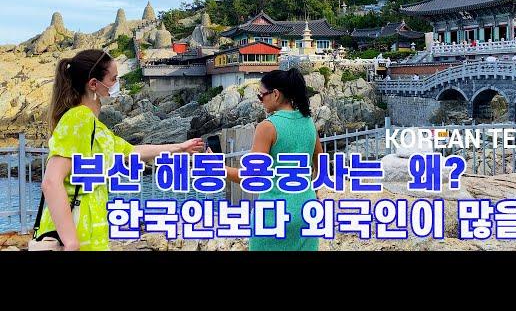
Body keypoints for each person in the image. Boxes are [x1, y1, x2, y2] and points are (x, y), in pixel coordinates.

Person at [38, 49, 204, 251]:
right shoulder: (79, 119)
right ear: (93, 84)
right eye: (113, 79)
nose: (117, 85)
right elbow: (51, 181)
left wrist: (179, 148)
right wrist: (71, 243)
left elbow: (131, 152)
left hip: (92, 236)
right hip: (75, 238)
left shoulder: (94, 126)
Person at [223, 68, 323, 251]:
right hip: (307, 210)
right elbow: (321, 165)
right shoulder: (308, 122)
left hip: (273, 216)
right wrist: (312, 191)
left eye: (261, 96)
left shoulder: (267, 127)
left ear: (275, 94)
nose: (260, 101)